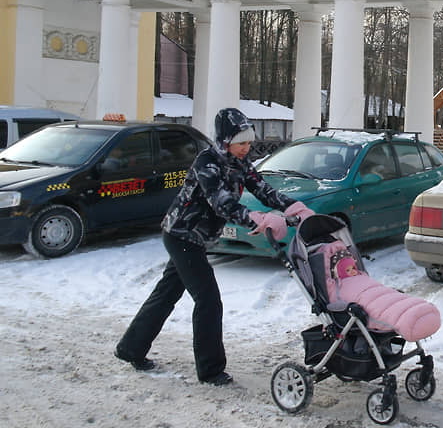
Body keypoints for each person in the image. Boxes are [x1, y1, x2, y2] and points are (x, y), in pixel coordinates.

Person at [114, 108, 315, 386]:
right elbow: (221, 201)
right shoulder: (206, 163)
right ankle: (210, 371)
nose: (247, 148)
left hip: (196, 238)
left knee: (165, 294)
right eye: (241, 143)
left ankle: (130, 349)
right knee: (208, 301)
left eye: (249, 142)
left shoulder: (240, 163)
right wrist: (253, 217)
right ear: (225, 141)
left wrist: (294, 207)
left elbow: (262, 189)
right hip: (182, 236)